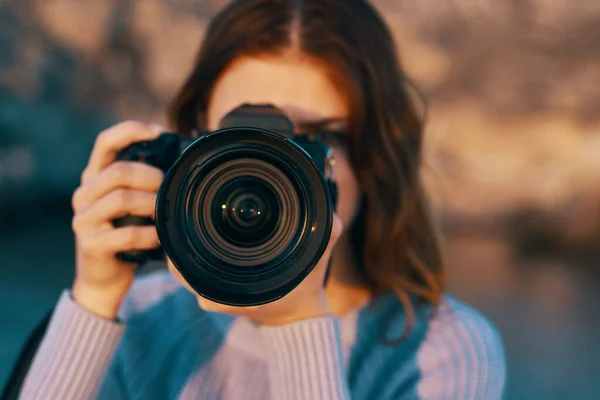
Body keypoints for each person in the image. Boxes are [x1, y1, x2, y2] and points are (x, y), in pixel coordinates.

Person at [19, 0, 506, 399]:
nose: (274, 166)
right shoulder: (140, 316)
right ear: (193, 144)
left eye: (315, 137)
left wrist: (298, 322)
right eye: (245, 135)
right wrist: (95, 300)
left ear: (374, 153)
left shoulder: (444, 351)